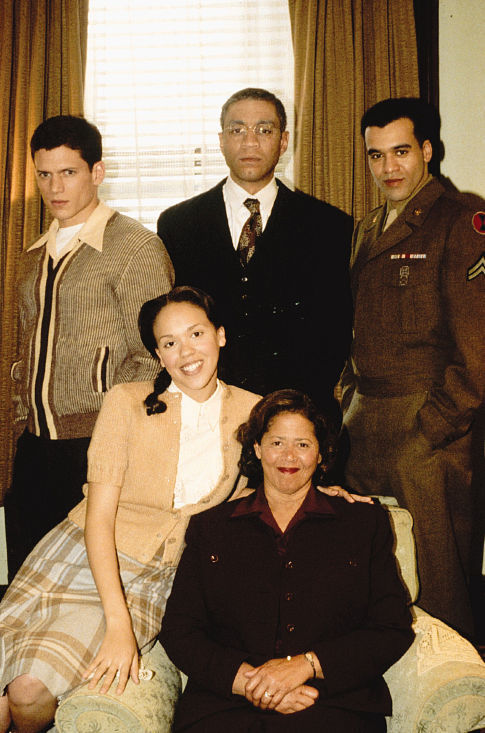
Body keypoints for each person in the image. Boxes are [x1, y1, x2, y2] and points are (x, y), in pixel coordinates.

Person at [0, 287, 359, 733]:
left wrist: (332, 491)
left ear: (220, 336)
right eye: (169, 343)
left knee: (27, 692)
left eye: (196, 334)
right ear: (157, 354)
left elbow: (283, 469)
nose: (186, 352)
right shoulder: (126, 402)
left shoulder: (252, 411)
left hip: (159, 576)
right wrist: (118, 626)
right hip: (81, 557)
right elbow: (99, 517)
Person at [161, 389, 413, 732]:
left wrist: (307, 665)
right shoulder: (211, 528)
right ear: (256, 448)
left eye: (303, 445)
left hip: (331, 702)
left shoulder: (362, 525)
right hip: (227, 706)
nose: (289, 456)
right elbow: (180, 630)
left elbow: (391, 627)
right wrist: (253, 683)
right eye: (277, 442)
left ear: (321, 454)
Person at [339, 97, 485, 639]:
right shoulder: (370, 225)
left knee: (439, 588)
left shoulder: (460, 221)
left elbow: (478, 355)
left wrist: (430, 435)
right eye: (376, 156)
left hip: (428, 428)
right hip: (366, 427)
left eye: (401, 152)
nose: (389, 168)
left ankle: (455, 711)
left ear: (427, 150)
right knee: (374, 580)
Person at [6, 114, 174, 578]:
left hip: (97, 447)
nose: (55, 187)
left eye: (69, 172)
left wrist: (117, 435)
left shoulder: (135, 247)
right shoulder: (33, 254)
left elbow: (153, 357)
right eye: (45, 174)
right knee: (28, 581)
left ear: (96, 172)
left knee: (88, 584)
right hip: (35, 447)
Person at [157, 88, 353, 421]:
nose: (250, 142)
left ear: (284, 140)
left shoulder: (329, 225)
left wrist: (293, 411)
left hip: (298, 415)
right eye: (237, 130)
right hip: (204, 413)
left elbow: (334, 331)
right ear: (221, 140)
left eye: (264, 130)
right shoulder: (178, 224)